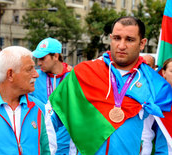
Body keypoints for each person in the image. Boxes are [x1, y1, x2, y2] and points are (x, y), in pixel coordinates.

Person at [46, 16, 172, 154]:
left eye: (129, 40)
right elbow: (49, 120)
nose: (121, 46)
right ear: (111, 38)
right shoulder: (84, 72)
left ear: (142, 43)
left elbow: (166, 137)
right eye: (117, 38)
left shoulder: (156, 84)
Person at [32, 37, 76, 154]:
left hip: (67, 148)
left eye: (42, 58)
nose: (39, 63)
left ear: (56, 56)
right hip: (41, 145)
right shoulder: (34, 78)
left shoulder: (74, 77)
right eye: (37, 59)